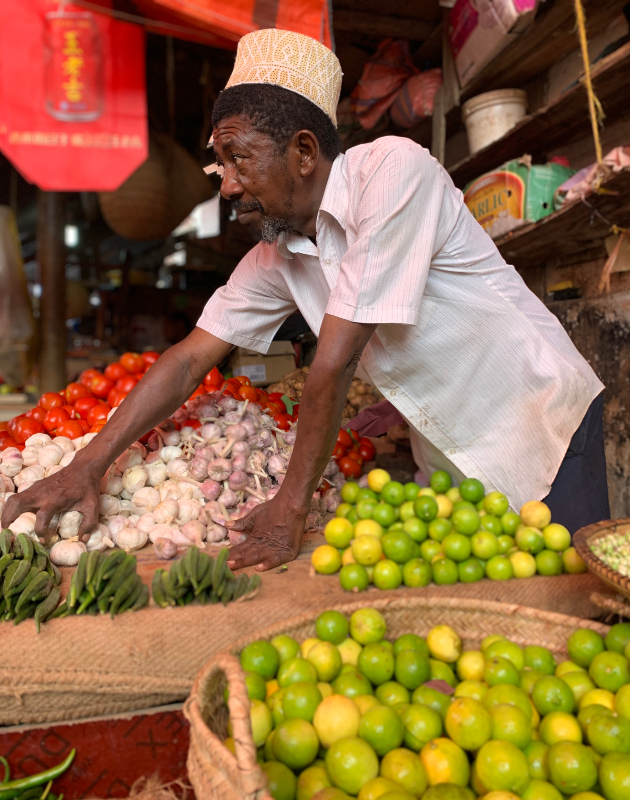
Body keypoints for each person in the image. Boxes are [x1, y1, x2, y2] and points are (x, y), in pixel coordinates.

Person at [2, 29, 608, 570]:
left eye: (238, 159)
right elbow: (189, 360)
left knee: (578, 605)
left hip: (539, 425)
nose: (229, 186)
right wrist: (88, 466)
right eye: (220, 166)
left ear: (303, 152)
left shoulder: (393, 172)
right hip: (448, 447)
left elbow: (336, 360)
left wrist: (289, 509)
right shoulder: (278, 253)